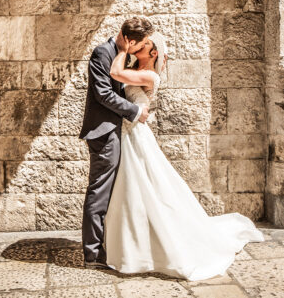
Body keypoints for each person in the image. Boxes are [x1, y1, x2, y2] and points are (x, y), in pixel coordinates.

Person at [103, 31, 265, 281]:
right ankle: (136, 243)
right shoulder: (140, 68)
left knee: (146, 187)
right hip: (129, 133)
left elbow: (115, 73)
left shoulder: (149, 75)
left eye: (143, 45)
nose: (138, 46)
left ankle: (152, 247)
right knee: (136, 189)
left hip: (135, 134)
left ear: (153, 53)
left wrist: (124, 48)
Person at [79, 17, 155, 268]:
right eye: (140, 44)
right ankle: (92, 253)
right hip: (104, 132)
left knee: (113, 191)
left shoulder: (124, 56)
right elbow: (103, 93)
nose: (142, 48)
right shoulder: (103, 52)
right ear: (130, 41)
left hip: (118, 131)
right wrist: (134, 111)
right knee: (99, 190)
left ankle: (109, 243)